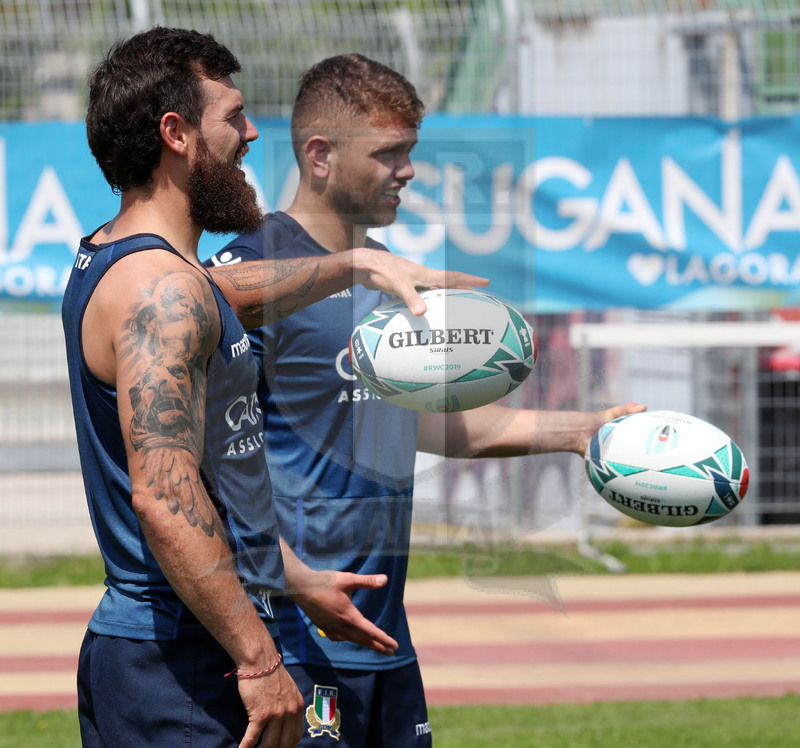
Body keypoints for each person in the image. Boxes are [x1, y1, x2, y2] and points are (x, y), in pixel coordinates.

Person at [206, 54, 645, 747]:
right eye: (389, 154)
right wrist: (293, 580)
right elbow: (209, 464)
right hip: (295, 635)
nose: (407, 170)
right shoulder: (253, 275)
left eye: (410, 152)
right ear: (319, 156)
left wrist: (578, 429)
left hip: (384, 632)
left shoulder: (387, 272)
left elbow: (422, 425)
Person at [63, 31, 486, 748]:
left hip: (162, 651)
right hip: (183, 663)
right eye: (232, 117)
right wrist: (259, 658)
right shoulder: (162, 290)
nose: (252, 133)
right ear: (176, 133)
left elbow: (224, 293)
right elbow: (165, 499)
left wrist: (354, 265)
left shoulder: (134, 263)